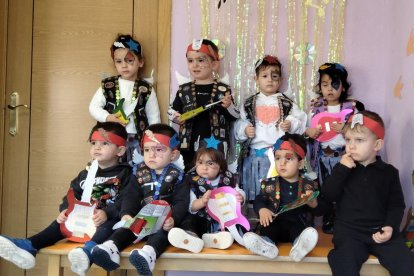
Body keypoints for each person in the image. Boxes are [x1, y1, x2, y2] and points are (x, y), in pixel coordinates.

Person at [0, 122, 135, 276]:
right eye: (93, 143)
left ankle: (88, 251)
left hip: (105, 223)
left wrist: (107, 213)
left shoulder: (126, 174)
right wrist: (65, 210)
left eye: (104, 143)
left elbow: (127, 201)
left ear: (120, 150)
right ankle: (29, 245)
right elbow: (71, 194)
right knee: (58, 223)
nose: (97, 147)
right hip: (81, 221)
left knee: (111, 224)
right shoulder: (85, 174)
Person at [322, 110, 414, 275]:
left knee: (407, 264)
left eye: (359, 140)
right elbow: (328, 195)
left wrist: (390, 226)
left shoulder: (389, 173)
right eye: (348, 139)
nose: (351, 145)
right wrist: (342, 170)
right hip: (349, 233)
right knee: (344, 262)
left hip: (380, 232)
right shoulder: (341, 168)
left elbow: (396, 205)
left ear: (377, 145)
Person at [90, 123, 190, 275]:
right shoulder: (138, 172)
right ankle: (111, 247)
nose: (152, 154)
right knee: (126, 228)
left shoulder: (179, 176)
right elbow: (130, 195)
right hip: (141, 219)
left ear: (173, 155)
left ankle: (148, 254)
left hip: (165, 221)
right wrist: (126, 213)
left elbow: (182, 202)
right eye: (147, 150)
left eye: (159, 150)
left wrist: (173, 219)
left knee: (161, 234)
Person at [234, 55, 306, 205]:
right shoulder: (249, 103)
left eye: (274, 76)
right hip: (252, 156)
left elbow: (300, 120)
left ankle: (274, 215)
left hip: (276, 156)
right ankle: (253, 217)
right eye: (265, 76)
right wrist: (244, 129)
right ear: (256, 79)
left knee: (275, 188)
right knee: (251, 186)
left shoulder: (287, 103)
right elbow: (239, 122)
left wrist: (291, 125)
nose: (270, 80)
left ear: (280, 80)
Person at [242, 133, 325, 262]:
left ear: (301, 163)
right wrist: (262, 209)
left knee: (301, 228)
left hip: (297, 224)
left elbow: (320, 211)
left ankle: (300, 246)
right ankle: (266, 245)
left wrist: (313, 203)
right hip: (276, 223)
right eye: (278, 158)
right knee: (269, 227)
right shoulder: (269, 183)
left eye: (289, 158)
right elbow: (260, 200)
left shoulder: (309, 185)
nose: (282, 163)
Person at [305, 62, 364, 234]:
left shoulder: (351, 109)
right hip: (322, 156)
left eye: (334, 84)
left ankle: (343, 218)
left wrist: (346, 129)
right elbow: (307, 129)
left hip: (343, 157)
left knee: (344, 187)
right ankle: (327, 217)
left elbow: (361, 132)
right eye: (325, 84)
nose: (329, 89)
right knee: (324, 188)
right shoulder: (315, 107)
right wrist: (309, 131)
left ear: (343, 87)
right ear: (320, 87)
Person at [168, 38, 239, 170]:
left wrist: (228, 106)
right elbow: (171, 111)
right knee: (189, 174)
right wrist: (176, 117)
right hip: (188, 146)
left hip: (215, 147)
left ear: (214, 64)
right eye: (190, 61)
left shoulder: (223, 90)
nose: (195, 65)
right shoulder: (184, 90)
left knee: (213, 175)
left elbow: (235, 116)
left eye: (200, 60)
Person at [89, 34, 161, 164]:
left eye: (129, 60)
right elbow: (93, 107)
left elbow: (154, 118)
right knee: (110, 169)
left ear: (140, 62)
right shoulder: (108, 85)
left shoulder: (147, 89)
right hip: (110, 139)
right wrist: (108, 117)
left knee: (135, 171)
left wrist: (154, 141)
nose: (124, 65)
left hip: (138, 139)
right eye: (119, 61)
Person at [167, 147, 246, 253]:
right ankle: (191, 237)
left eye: (210, 163)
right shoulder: (192, 180)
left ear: (221, 167)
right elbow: (191, 206)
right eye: (200, 162)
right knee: (190, 220)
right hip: (202, 218)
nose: (204, 167)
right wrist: (202, 201)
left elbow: (238, 191)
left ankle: (217, 239)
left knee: (234, 224)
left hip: (223, 218)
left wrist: (240, 196)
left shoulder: (228, 178)